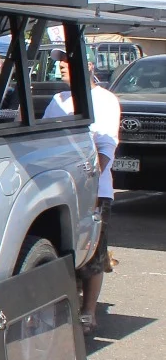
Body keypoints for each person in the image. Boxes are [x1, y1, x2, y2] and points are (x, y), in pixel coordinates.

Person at [43, 48, 121, 333]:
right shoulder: (58, 100)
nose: (62, 65)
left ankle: (89, 312)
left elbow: (106, 145)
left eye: (67, 60)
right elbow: (46, 140)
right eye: (59, 61)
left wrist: (91, 181)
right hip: (60, 187)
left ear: (87, 65)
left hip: (94, 187)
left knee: (94, 251)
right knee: (64, 247)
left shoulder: (104, 99)